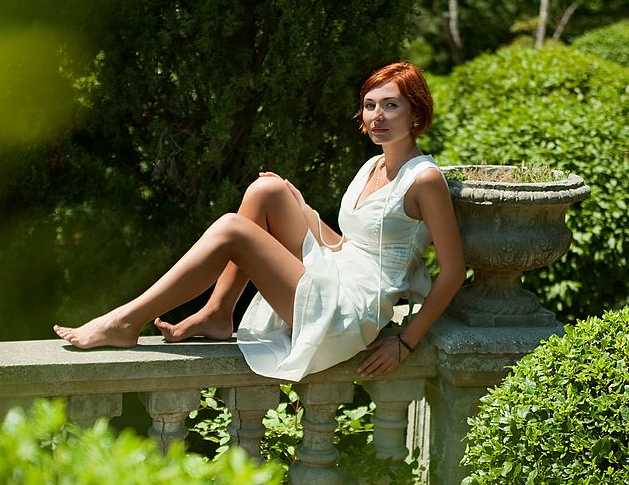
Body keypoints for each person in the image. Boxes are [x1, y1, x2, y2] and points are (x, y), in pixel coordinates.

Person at [54, 61, 466, 382]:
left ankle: (125, 321)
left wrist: (406, 343)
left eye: (391, 105)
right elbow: (348, 245)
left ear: (416, 113)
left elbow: (452, 271)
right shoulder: (374, 165)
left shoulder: (424, 178)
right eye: (370, 105)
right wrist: (300, 207)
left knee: (232, 229)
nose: (377, 116)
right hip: (341, 273)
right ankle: (218, 311)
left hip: (352, 310)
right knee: (267, 189)